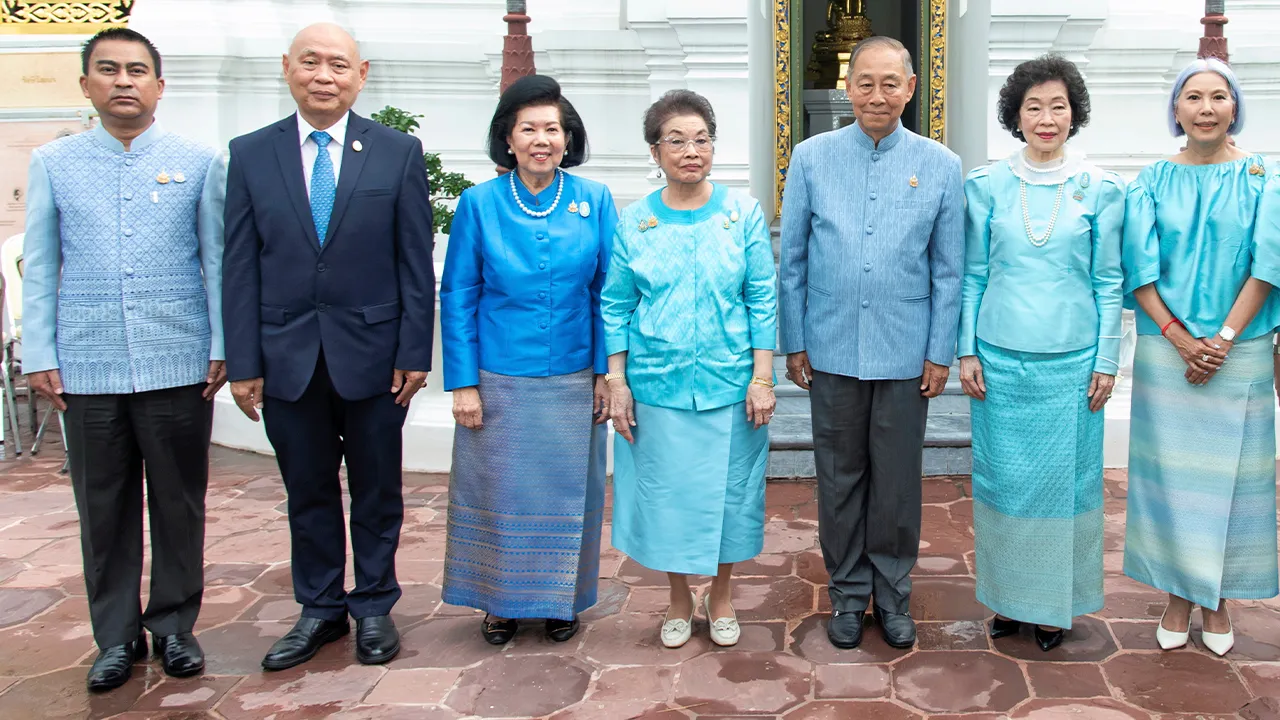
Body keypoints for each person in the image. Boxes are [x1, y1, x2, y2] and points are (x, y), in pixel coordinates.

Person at [222, 23, 435, 670]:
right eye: (310, 62)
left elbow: (413, 263)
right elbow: (239, 265)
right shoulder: (251, 153)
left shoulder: (396, 152)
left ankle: (373, 605)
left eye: (337, 65)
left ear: (361, 74)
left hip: (374, 357)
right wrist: (244, 362)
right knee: (307, 490)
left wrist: (415, 352)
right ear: (287, 68)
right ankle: (319, 608)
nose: (324, 75)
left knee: (376, 489)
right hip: (286, 358)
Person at [22, 28, 225, 691]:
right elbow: (42, 266)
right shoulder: (55, 163)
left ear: (160, 86)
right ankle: (114, 636)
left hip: (177, 359)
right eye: (108, 70)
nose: (124, 81)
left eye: (138, 70)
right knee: (102, 508)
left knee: (178, 502)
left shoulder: (197, 161)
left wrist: (222, 345)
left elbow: (216, 263)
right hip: (89, 364)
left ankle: (173, 626)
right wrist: (40, 353)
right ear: (87, 85)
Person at [778, 36, 963, 651]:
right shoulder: (809, 158)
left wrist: (940, 351)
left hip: (907, 352)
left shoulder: (941, 164)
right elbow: (794, 260)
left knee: (898, 482)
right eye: (865, 83)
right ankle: (849, 595)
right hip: (829, 346)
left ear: (911, 88)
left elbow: (948, 270)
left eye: (891, 83)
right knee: (839, 477)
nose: (878, 95)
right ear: (846, 88)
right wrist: (794, 342)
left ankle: (894, 593)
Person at [439, 75, 616, 645]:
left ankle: (563, 600)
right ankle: (499, 603)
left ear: (568, 138)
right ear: (508, 139)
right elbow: (459, 293)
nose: (542, 139)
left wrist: (605, 375)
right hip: (498, 380)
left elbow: (606, 295)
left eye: (553, 129)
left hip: (572, 379)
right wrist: (463, 384)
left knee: (571, 496)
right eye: (529, 129)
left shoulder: (595, 200)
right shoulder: (478, 204)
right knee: (498, 493)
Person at [958, 55, 1123, 652]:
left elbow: (1109, 283)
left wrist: (1107, 360)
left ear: (1073, 112)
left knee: (1066, 487)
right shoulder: (984, 185)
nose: (1046, 118)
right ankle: (1007, 599)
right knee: (1004, 483)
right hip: (999, 361)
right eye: (1033, 107)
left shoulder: (1101, 188)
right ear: (1015, 115)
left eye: (1057, 106)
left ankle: (1055, 605)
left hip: (1073, 363)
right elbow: (972, 273)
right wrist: (965, 351)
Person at [603, 89, 777, 649]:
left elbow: (761, 297)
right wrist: (617, 381)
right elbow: (615, 303)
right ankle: (680, 596)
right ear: (654, 151)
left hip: (730, 386)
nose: (690, 151)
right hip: (657, 386)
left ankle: (721, 594)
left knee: (731, 496)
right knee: (666, 497)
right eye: (675, 141)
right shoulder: (634, 221)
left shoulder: (741, 212)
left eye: (701, 139)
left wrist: (762, 376)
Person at [1122, 57, 1280, 657]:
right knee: (1171, 481)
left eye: (1219, 96)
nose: (1206, 108)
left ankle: (1216, 601)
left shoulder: (1265, 178)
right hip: (1168, 349)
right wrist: (1181, 337)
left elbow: (1269, 263)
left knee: (1234, 481)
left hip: (1239, 352)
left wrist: (1222, 339)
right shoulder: (1150, 181)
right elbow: (1138, 267)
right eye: (1193, 97)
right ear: (1176, 110)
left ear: (1235, 106)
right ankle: (1176, 597)